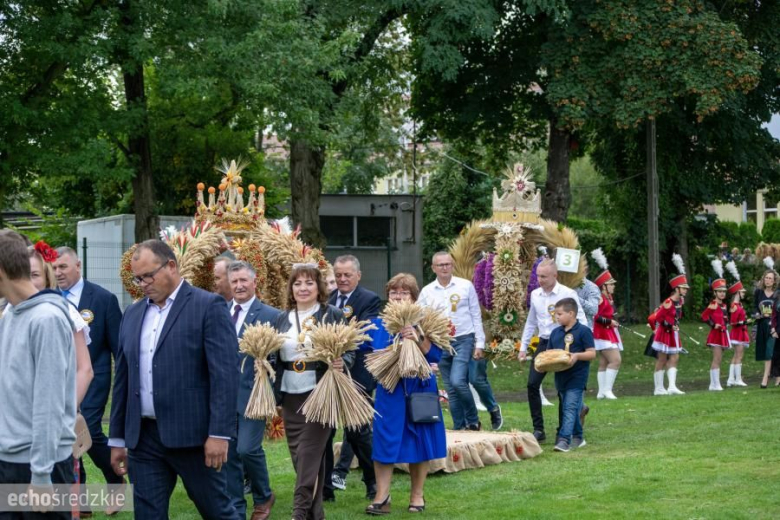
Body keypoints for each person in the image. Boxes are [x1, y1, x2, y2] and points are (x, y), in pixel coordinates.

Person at [108, 240, 239, 519]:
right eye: (137, 278)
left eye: (148, 275)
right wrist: (118, 438)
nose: (142, 283)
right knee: (147, 514)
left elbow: (224, 376)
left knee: (218, 512)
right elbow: (123, 378)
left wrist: (219, 433)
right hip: (143, 439)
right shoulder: (132, 313)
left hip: (194, 437)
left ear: (171, 266)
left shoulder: (208, 306)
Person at [0, 229, 77, 519]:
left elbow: (49, 404)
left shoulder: (47, 319)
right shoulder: (10, 316)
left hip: (40, 467)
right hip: (10, 463)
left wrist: (42, 475)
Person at [272, 264, 351, 520]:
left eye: (309, 283)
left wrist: (343, 361)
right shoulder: (282, 317)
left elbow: (350, 348)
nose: (303, 288)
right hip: (290, 397)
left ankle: (298, 513)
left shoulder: (332, 314)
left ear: (319, 287)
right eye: (297, 283)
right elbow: (275, 357)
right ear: (291, 288)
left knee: (308, 456)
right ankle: (315, 515)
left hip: (321, 394)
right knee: (303, 460)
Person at [364, 273, 446, 515]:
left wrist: (418, 338)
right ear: (387, 296)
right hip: (390, 391)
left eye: (404, 292)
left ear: (414, 297)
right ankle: (382, 496)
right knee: (384, 441)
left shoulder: (426, 322)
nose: (398, 296)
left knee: (420, 441)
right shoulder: (379, 324)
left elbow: (436, 356)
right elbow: (371, 355)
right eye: (394, 292)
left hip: (420, 388)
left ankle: (417, 495)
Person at [52, 247, 124, 495]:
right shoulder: (50, 298)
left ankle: (115, 480)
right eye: (54, 268)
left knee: (89, 430)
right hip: (60, 379)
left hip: (94, 377)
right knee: (68, 433)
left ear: (78, 265)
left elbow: (118, 347)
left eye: (63, 266)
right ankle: (79, 497)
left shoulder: (103, 299)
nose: (58, 272)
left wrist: (123, 385)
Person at [419, 252, 502, 432]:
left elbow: (475, 314)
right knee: (450, 387)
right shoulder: (427, 291)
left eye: (448, 264)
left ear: (453, 265)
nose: (444, 267)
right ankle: (460, 426)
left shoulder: (466, 286)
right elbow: (420, 318)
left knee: (457, 381)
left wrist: (479, 344)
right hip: (440, 341)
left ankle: (473, 420)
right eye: (440, 265)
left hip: (464, 338)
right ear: (433, 268)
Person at [224, 261, 281, 520]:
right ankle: (236, 505)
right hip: (224, 397)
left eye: (244, 280)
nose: (239, 286)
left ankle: (263, 496)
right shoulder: (220, 310)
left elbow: (281, 358)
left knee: (247, 449)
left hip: (255, 394)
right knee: (229, 453)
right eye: (234, 281)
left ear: (254, 282)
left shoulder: (271, 315)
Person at [517, 259, 587, 442]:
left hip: (565, 341)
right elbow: (531, 321)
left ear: (555, 275)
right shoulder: (535, 294)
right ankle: (538, 429)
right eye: (538, 276)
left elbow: (583, 321)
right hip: (544, 342)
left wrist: (580, 346)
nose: (540, 280)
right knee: (532, 383)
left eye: (544, 276)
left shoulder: (568, 293)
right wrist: (523, 347)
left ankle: (563, 430)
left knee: (563, 389)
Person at [329, 255, 380, 499]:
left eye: (347, 274)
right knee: (325, 431)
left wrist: (336, 342)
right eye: (338, 275)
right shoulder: (327, 299)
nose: (342, 279)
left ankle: (373, 481)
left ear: (358, 275)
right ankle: (326, 487)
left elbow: (363, 335)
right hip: (328, 374)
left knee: (358, 431)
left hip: (357, 374)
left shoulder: (368, 299)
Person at [547, 298, 595, 453]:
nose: (557, 317)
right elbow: (549, 354)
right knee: (572, 406)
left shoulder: (584, 331)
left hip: (577, 377)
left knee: (568, 408)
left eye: (560, 314)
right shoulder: (555, 333)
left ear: (571, 313)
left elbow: (591, 353)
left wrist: (576, 356)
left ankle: (564, 440)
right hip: (560, 378)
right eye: (556, 314)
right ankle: (578, 437)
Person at [651, 255, 688, 396]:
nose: (685, 290)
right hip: (664, 333)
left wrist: (675, 325)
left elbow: (677, 317)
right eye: (683, 288)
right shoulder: (668, 302)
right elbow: (658, 318)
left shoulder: (680, 302)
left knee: (675, 357)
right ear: (677, 289)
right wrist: (669, 325)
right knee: (661, 359)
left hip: (673, 333)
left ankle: (672, 386)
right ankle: (658, 388)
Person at [592, 258, 622, 400]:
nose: (613, 286)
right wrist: (610, 321)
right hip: (602, 332)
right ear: (604, 286)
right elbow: (595, 316)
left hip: (608, 332)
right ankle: (607, 390)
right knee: (616, 360)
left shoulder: (608, 298)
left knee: (604, 362)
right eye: (610, 284)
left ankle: (601, 392)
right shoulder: (599, 298)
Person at [701, 275, 730, 391]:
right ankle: (715, 384)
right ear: (715, 292)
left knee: (719, 359)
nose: (722, 294)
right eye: (720, 291)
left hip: (723, 334)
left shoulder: (724, 305)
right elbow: (704, 316)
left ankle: (714, 384)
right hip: (715, 335)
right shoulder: (713, 304)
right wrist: (713, 324)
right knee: (716, 358)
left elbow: (724, 318)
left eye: (724, 291)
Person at [753, 263, 777, 388]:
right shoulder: (758, 292)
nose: (768, 280)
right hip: (762, 325)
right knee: (767, 352)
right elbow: (755, 307)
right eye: (766, 278)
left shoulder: (777, 294)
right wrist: (756, 314)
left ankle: (765, 378)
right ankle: (776, 376)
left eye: (770, 278)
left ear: (774, 281)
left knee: (770, 351)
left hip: (774, 326)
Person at [727, 277, 749, 387]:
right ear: (737, 293)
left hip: (740, 332)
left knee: (736, 355)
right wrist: (744, 321)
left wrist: (744, 321)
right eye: (742, 292)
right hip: (738, 333)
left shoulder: (738, 305)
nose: (744, 293)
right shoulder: (735, 306)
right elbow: (733, 322)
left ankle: (731, 379)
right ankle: (737, 379)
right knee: (739, 356)